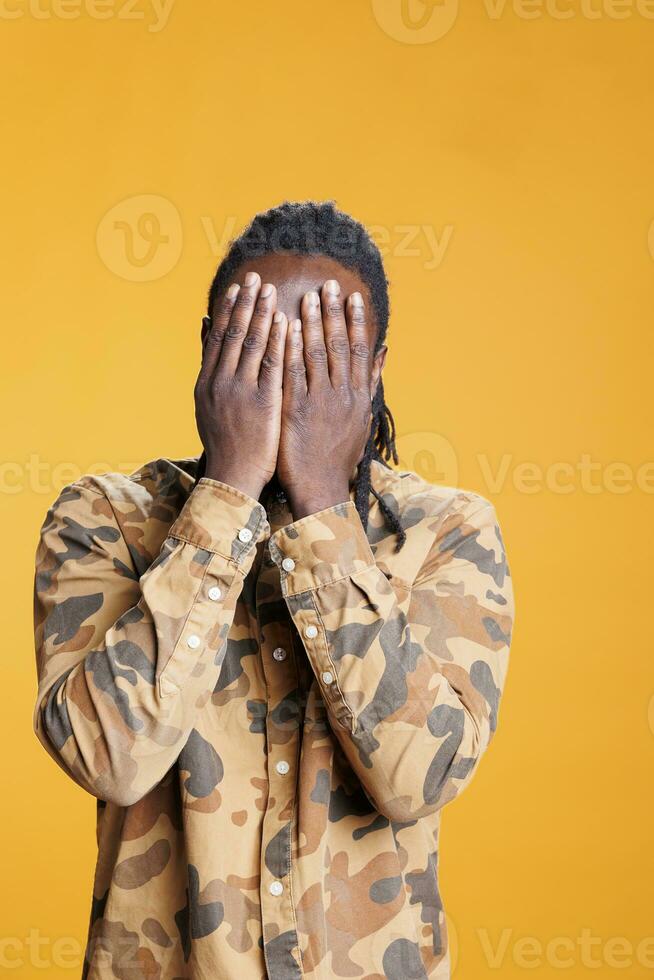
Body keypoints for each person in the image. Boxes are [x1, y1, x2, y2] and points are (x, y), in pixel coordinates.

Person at [33, 201, 514, 980]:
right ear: (210, 354)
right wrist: (227, 490)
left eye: (327, 352)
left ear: (375, 367)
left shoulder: (443, 532)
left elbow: (418, 778)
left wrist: (322, 499)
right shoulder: (105, 521)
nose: (290, 379)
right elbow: (109, 758)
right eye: (257, 346)